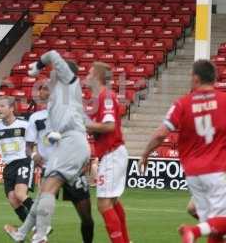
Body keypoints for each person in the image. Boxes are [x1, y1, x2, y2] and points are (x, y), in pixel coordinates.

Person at [4, 50, 91, 243]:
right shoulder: (56, 100)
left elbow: (52, 53)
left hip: (72, 144)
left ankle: (41, 236)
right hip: (67, 146)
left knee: (48, 189)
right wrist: (53, 136)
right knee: (45, 192)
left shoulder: (69, 82)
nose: (50, 77)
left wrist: (37, 66)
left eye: (54, 74)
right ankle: (22, 233)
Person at [139, 59, 226, 243]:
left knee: (213, 227)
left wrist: (145, 153)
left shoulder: (182, 104)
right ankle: (193, 231)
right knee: (219, 222)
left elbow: (161, 134)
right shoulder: (224, 101)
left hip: (193, 173)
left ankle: (197, 230)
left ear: (196, 78)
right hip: (218, 169)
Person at [84, 62, 131, 243]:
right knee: (112, 202)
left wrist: (86, 125)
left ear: (97, 77)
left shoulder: (106, 96)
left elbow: (110, 126)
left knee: (104, 204)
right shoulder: (101, 97)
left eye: (89, 73)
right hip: (112, 154)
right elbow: (101, 126)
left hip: (112, 154)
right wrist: (91, 128)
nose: (86, 76)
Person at [0, 97, 34, 223]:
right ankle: (32, 226)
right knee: (13, 200)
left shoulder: (24, 125)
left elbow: (35, 143)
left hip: (23, 162)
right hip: (9, 167)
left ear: (11, 108)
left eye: (2, 106)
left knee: (20, 194)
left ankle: (42, 219)